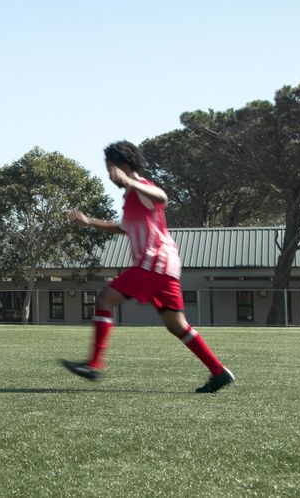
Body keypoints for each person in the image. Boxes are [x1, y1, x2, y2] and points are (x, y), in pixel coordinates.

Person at [62, 141, 235, 393]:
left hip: (154, 262)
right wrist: (89, 222)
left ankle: (94, 364)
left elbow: (162, 196)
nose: (109, 174)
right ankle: (219, 372)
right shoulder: (133, 195)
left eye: (109, 168)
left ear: (121, 166)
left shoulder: (142, 187)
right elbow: (124, 228)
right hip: (165, 266)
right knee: (177, 326)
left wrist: (131, 181)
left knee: (105, 299)